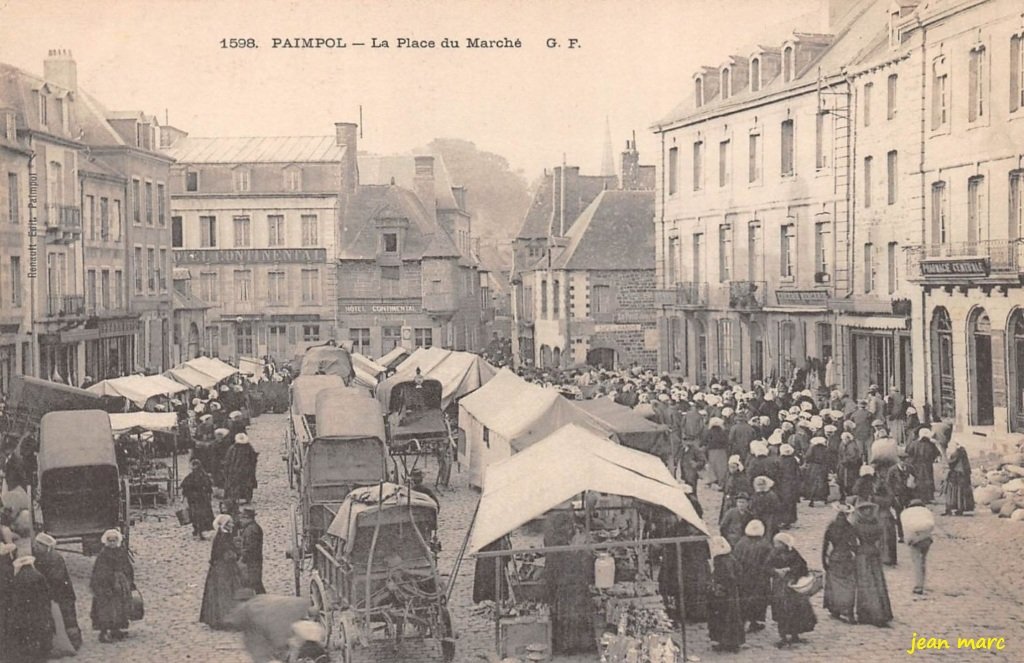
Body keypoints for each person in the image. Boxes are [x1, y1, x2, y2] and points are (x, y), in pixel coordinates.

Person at [544, 512, 594, 654]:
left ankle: (568, 643)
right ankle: (570, 644)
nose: (571, 528)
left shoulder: (554, 535)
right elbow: (569, 558)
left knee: (568, 611)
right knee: (570, 611)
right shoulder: (558, 542)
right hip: (565, 579)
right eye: (568, 526)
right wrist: (579, 545)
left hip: (564, 578)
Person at [766, 533, 817, 648]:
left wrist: (790, 569)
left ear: (783, 544)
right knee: (782, 610)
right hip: (780, 586)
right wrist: (776, 571)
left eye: (777, 543)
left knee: (796, 610)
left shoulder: (793, 553)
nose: (775, 545)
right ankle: (783, 636)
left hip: (793, 585)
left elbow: (802, 566)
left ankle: (795, 635)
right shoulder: (773, 553)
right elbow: (766, 567)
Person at [33, 532, 81, 651]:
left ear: (45, 546)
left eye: (38, 545)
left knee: (68, 617)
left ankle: (74, 642)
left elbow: (56, 578)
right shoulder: (42, 556)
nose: (35, 548)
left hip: (62, 593)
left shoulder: (54, 558)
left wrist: (44, 586)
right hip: (57, 593)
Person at [849, 500, 893, 626]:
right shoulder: (877, 524)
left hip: (862, 554)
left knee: (866, 583)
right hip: (873, 553)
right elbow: (881, 538)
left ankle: (868, 613)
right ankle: (881, 611)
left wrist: (855, 549)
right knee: (877, 582)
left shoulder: (856, 524)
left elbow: (852, 540)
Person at [200, 514, 245, 629]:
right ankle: (224, 619)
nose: (233, 524)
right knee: (224, 592)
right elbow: (224, 554)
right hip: (223, 568)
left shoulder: (223, 535)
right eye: (230, 523)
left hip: (221, 567)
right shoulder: (223, 537)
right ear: (225, 524)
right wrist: (236, 553)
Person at [90, 528, 135, 642]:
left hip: (120, 585)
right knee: (106, 609)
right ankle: (103, 632)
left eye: (114, 540)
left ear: (118, 541)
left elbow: (127, 567)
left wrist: (129, 581)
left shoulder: (121, 552)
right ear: (106, 541)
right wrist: (106, 584)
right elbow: (99, 571)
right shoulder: (103, 555)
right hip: (106, 586)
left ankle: (116, 630)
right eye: (110, 541)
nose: (112, 543)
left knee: (119, 607)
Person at [7, 556, 53, 661]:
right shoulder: (39, 575)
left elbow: (15, 598)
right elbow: (46, 594)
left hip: (24, 612)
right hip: (38, 610)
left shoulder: (17, 578)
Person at [732, 519, 772, 634]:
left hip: (743, 577)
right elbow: (769, 562)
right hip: (759, 578)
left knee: (744, 599)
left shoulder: (741, 542)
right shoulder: (765, 544)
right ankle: (754, 622)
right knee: (758, 600)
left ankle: (742, 622)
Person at [707, 536, 745, 653]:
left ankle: (725, 642)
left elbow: (728, 577)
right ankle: (734, 642)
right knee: (733, 617)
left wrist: (719, 586)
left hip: (724, 594)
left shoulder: (720, 561)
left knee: (723, 617)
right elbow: (739, 572)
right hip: (732, 593)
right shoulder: (731, 557)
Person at [821, 503, 858, 623]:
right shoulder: (850, 527)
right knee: (848, 585)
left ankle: (835, 608)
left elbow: (825, 545)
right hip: (846, 557)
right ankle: (848, 611)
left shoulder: (831, 526)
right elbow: (854, 545)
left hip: (835, 557)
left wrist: (824, 560)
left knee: (834, 584)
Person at [901, 499, 935, 595]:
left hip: (914, 537)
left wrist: (908, 540)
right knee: (923, 560)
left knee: (917, 562)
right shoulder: (927, 511)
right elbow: (931, 525)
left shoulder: (906, 513)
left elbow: (906, 527)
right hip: (926, 538)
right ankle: (923, 582)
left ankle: (918, 586)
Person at [181, 459, 215, 540]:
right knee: (197, 515)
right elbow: (185, 487)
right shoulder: (197, 476)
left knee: (198, 515)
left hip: (198, 499)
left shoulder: (199, 476)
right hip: (197, 499)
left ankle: (199, 530)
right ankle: (198, 530)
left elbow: (208, 488)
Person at [236, 505, 266, 594]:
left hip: (252, 562)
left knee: (254, 582)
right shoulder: (251, 527)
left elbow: (249, 547)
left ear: (247, 518)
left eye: (242, 518)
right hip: (253, 561)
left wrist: (242, 558)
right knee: (255, 583)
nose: (240, 521)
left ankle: (262, 598)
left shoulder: (251, 530)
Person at [907, 427, 941, 503]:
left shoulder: (914, 443)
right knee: (928, 480)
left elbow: (909, 452)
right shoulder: (931, 444)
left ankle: (918, 497)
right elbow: (936, 454)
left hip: (917, 465)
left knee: (918, 480)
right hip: (927, 465)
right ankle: (928, 497)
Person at [223, 432, 259, 504]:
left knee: (244, 484)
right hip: (237, 470)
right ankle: (236, 497)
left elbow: (253, 459)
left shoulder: (247, 449)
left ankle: (243, 497)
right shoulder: (234, 449)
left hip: (244, 470)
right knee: (236, 483)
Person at [943, 440, 975, 516]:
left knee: (954, 492)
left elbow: (951, 462)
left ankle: (952, 509)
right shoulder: (963, 452)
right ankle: (960, 509)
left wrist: (946, 462)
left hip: (957, 474)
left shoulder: (957, 453)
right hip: (963, 474)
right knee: (961, 492)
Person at [750, 475, 781, 540]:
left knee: (768, 531)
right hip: (758, 516)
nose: (760, 486)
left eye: (762, 484)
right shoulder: (756, 494)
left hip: (769, 516)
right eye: (759, 485)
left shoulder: (771, 495)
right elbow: (752, 505)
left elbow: (776, 507)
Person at [777, 444, 801, 527]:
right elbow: (797, 472)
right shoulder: (793, 460)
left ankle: (784, 520)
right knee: (791, 501)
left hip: (783, 483)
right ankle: (791, 519)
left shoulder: (779, 460)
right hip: (792, 482)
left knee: (784, 501)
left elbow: (778, 473)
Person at [705, 417, 730, 489]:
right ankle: (721, 481)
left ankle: (712, 480)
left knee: (712, 466)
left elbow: (705, 440)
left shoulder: (709, 432)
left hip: (711, 450)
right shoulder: (723, 432)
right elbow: (727, 441)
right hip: (722, 451)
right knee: (721, 467)